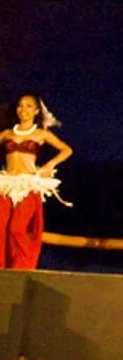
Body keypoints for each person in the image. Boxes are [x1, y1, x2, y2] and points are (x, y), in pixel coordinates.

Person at [0, 95, 73, 269]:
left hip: (28, 185)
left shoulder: (41, 133)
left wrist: (50, 164)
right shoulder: (6, 133)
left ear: (37, 111)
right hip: (6, 184)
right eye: (20, 106)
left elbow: (67, 149)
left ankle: (22, 268)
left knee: (17, 229)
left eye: (28, 106)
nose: (23, 110)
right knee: (1, 227)